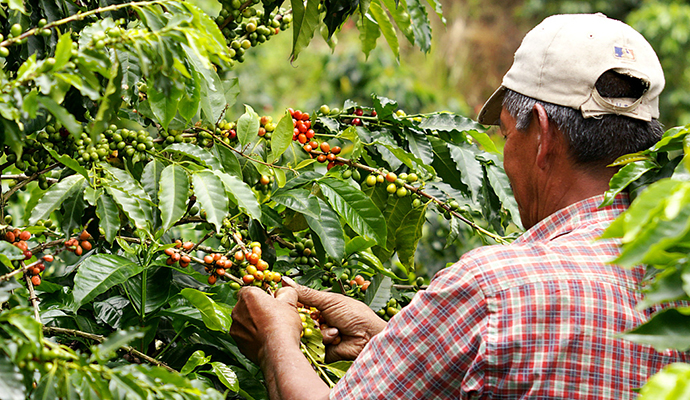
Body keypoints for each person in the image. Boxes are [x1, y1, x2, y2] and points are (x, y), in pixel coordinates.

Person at [229, 13, 689, 399]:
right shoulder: (676, 278)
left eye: (508, 135)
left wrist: (275, 340)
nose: (505, 155)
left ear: (542, 135)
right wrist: (391, 341)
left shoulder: (492, 290)